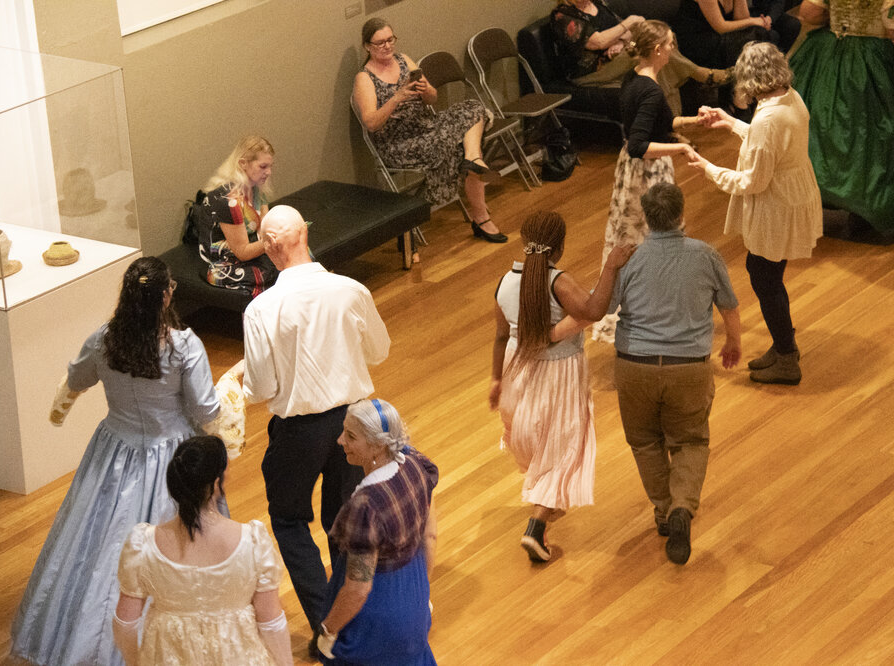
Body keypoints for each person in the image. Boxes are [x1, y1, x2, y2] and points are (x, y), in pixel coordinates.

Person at [11, 257, 223, 666]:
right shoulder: (183, 347)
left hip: (114, 452)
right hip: (173, 452)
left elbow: (75, 379)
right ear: (165, 296)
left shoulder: (105, 340)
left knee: (96, 544)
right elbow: (205, 408)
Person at [242, 204, 390, 658]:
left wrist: (241, 380)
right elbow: (379, 352)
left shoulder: (262, 308)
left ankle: (326, 627)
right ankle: (355, 613)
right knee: (342, 520)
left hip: (298, 430)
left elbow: (261, 387)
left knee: (289, 521)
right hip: (354, 422)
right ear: (305, 233)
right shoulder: (350, 289)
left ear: (268, 248)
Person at [489, 211, 635, 562]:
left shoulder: (505, 281)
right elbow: (595, 309)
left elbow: (498, 335)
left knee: (533, 439)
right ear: (562, 245)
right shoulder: (558, 281)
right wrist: (611, 267)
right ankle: (536, 524)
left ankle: (547, 500)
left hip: (515, 363)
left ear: (525, 242)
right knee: (566, 443)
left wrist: (495, 378)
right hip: (558, 371)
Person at [612, 182, 741, 565]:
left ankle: (666, 509)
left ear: (647, 219)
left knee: (645, 441)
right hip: (688, 367)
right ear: (682, 214)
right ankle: (681, 507)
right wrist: (733, 343)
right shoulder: (706, 255)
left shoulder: (630, 260)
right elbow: (729, 307)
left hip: (634, 365)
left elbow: (604, 304)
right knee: (690, 441)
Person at [688, 42, 821, 384]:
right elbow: (769, 143)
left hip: (778, 203)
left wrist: (707, 168)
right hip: (792, 193)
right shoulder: (789, 96)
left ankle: (787, 357)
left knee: (764, 276)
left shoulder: (769, 118)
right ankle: (783, 346)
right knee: (767, 273)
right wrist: (731, 122)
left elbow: (753, 182)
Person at [113, 436, 292, 666]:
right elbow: (271, 623)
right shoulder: (253, 542)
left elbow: (125, 623)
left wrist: (135, 661)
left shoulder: (142, 546)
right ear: (217, 483)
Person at [592, 19, 706, 343]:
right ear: (657, 49)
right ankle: (647, 321)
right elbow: (642, 144)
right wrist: (682, 148)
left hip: (630, 170)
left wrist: (697, 122)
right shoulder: (650, 89)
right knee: (651, 245)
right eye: (670, 44)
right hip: (647, 176)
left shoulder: (637, 78)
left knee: (629, 242)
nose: (673, 49)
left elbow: (662, 121)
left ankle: (641, 317)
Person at [353, 17, 507, 243]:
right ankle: (481, 216)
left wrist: (425, 90)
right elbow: (372, 123)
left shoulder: (404, 60)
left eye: (390, 39)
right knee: (456, 145)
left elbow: (432, 99)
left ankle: (473, 158)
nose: (387, 46)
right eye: (380, 43)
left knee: (473, 107)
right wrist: (397, 98)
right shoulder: (364, 78)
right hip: (400, 144)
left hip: (427, 127)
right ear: (367, 46)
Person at [315, 399, 439, 665]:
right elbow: (430, 536)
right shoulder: (416, 464)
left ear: (378, 444)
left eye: (350, 436)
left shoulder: (365, 508)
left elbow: (358, 590)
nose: (339, 441)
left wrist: (327, 630)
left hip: (376, 619)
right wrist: (420, 595)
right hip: (414, 595)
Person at [790, 0, 894, 242]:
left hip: (829, 53)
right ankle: (866, 210)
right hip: (871, 58)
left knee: (821, 128)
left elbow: (809, 13)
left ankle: (813, 195)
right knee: (872, 134)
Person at [549, 0, 731, 114]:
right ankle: (702, 74)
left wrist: (620, 41)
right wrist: (629, 23)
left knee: (660, 51)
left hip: (617, 56)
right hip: (591, 72)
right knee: (654, 46)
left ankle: (671, 127)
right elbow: (597, 42)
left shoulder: (598, 4)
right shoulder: (563, 15)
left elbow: (628, 32)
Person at [199, 135, 279, 296]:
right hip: (225, 262)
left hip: (251, 248)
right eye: (263, 166)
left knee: (298, 254)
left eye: (270, 166)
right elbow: (242, 252)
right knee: (273, 273)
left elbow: (265, 227)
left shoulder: (257, 190)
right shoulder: (228, 201)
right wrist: (278, 239)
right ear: (243, 163)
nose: (268, 172)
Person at [671, 0, 774, 69]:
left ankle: (757, 84)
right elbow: (721, 27)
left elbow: (741, 18)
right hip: (696, 41)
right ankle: (738, 92)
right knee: (751, 38)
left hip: (716, 35)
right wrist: (753, 21)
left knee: (761, 32)